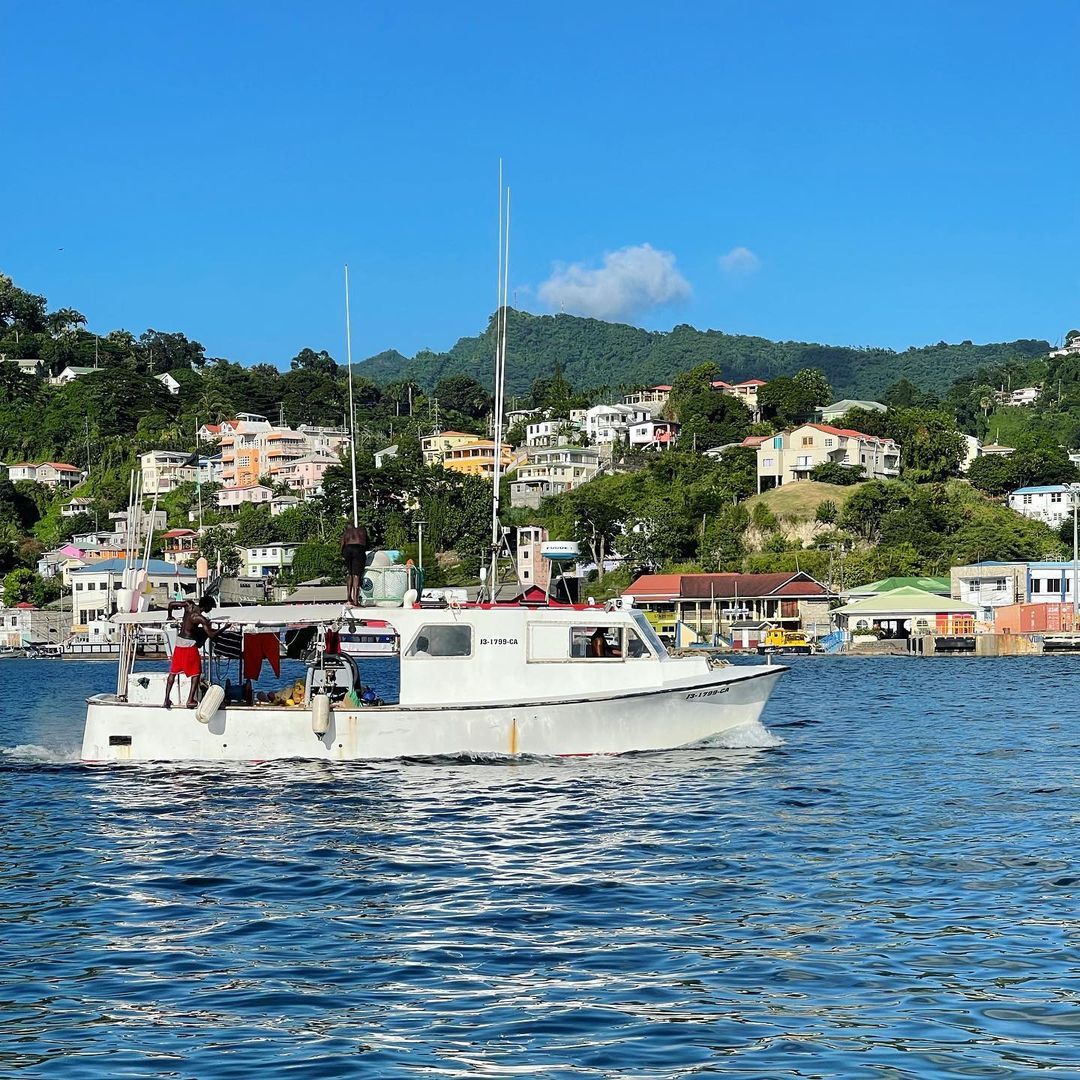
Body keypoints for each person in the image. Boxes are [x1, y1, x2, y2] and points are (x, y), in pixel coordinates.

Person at [164, 596, 223, 709]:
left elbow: (171, 604)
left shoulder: (188, 605)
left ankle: (166, 699)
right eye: (210, 607)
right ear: (206, 606)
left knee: (173, 672)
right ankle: (190, 699)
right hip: (189, 645)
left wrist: (169, 615)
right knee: (196, 672)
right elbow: (211, 635)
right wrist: (224, 628)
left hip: (179, 642)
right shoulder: (200, 618)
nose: (210, 610)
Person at [341, 523, 370, 608]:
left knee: (350, 574)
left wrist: (342, 554)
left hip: (347, 549)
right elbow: (367, 544)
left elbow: (342, 543)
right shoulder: (362, 530)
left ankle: (349, 599)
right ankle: (356, 601)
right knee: (356, 575)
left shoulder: (347, 532)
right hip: (358, 549)